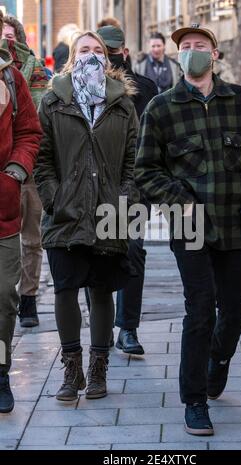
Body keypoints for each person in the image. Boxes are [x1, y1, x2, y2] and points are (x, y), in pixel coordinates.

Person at [135, 24, 241, 436]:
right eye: (185, 48)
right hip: (189, 228)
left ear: (215, 54)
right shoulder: (161, 108)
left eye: (199, 47)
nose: (191, 52)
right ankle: (194, 401)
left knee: (237, 309)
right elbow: (145, 172)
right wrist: (180, 199)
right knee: (200, 310)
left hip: (232, 224)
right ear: (178, 57)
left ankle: (218, 362)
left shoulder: (238, 100)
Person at [34, 31, 138, 402]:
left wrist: (123, 201)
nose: (90, 55)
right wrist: (54, 199)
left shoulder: (122, 105)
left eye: (97, 50)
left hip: (108, 212)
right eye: (84, 50)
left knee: (101, 290)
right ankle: (71, 366)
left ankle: (98, 368)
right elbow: (41, 158)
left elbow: (132, 161)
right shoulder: (53, 101)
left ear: (107, 57)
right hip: (65, 212)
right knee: (64, 289)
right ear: (71, 57)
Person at [98, 25, 158, 355]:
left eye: (113, 51)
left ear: (125, 52)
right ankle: (102, 325)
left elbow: (156, 139)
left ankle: (128, 328)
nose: (108, 59)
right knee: (98, 252)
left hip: (134, 185)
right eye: (101, 52)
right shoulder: (83, 89)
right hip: (93, 185)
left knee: (132, 249)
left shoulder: (145, 89)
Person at [0, 10, 42, 413]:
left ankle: (0, 371)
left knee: (2, 299)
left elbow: (30, 130)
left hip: (2, 210)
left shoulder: (11, 77)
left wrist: (15, 172)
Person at [1, 14, 49, 328]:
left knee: (31, 237)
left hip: (26, 168)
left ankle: (29, 297)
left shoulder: (30, 70)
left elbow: (37, 115)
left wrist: (18, 168)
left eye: (8, 33)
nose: (4, 38)